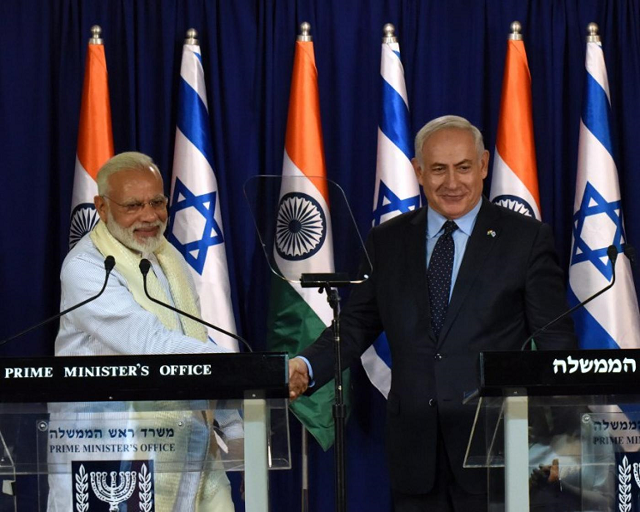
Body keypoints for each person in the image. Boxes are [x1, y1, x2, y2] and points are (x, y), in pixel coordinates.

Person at [288, 115, 577, 511]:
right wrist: (306, 365)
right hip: (414, 453)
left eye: (463, 167)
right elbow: (355, 325)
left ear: (485, 165)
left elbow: (555, 344)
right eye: (438, 169)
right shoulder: (387, 241)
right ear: (418, 171)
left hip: (498, 451)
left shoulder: (525, 239)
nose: (452, 182)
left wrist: (560, 441)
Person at [48, 152, 238, 511]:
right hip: (111, 450)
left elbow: (191, 337)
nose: (150, 216)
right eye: (133, 205)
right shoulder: (87, 268)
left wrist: (233, 417)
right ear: (102, 208)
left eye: (157, 202)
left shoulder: (166, 257)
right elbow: (148, 342)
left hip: (180, 441)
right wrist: (237, 367)